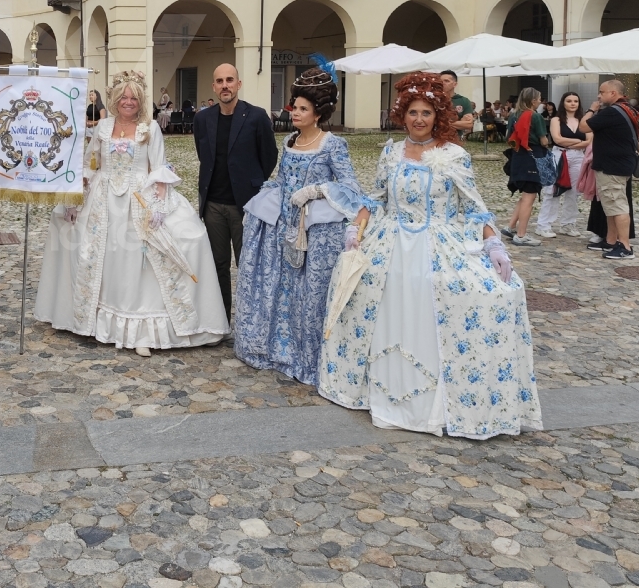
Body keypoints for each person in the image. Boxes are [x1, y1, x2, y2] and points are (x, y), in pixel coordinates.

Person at [318, 72, 542, 439]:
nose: (419, 119)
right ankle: (384, 394)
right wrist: (354, 231)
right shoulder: (390, 152)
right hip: (388, 247)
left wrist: (493, 244)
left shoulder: (453, 155)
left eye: (426, 113)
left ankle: (433, 406)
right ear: (402, 115)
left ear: (438, 116)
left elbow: (474, 206)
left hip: (436, 247)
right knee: (378, 309)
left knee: (447, 309)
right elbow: (373, 199)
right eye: (412, 113)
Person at [35, 71, 230, 356]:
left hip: (139, 198)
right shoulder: (102, 127)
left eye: (134, 98)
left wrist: (159, 207)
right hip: (103, 203)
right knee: (101, 257)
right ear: (115, 100)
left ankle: (141, 330)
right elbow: (91, 163)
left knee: (144, 262)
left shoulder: (150, 129)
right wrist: (75, 197)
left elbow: (159, 170)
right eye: (124, 97)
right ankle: (93, 322)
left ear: (141, 101)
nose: (129, 102)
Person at [233, 67, 369, 385]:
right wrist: (261, 204)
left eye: (303, 108)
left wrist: (318, 190)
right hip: (287, 228)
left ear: (318, 113)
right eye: (294, 106)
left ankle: (309, 360)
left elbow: (351, 188)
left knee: (309, 296)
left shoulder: (332, 145)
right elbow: (282, 180)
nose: (294, 112)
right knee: (283, 291)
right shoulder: (290, 142)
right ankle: (282, 352)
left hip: (318, 233)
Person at [192, 63, 277, 322]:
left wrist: (251, 184)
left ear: (239, 84)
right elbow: (203, 155)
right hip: (213, 205)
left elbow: (269, 157)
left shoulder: (256, 116)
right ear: (214, 86)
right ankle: (220, 320)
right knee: (217, 265)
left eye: (230, 80)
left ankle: (249, 321)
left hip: (245, 205)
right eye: (220, 81)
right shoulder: (203, 119)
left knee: (248, 264)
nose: (225, 85)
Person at [581, 80, 639, 260]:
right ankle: (610, 240)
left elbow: (583, 127)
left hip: (612, 167)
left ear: (614, 94)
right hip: (617, 164)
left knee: (617, 205)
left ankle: (625, 247)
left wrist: (591, 109)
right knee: (611, 205)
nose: (599, 96)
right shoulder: (627, 109)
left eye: (602, 92)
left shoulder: (612, 112)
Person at [535, 92, 589, 239]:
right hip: (559, 155)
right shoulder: (556, 119)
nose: (573, 103)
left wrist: (572, 142)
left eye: (575, 101)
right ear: (563, 103)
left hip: (578, 157)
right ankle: (544, 225)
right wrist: (578, 142)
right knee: (552, 190)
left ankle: (568, 223)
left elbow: (589, 140)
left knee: (574, 192)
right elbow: (557, 139)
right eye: (569, 101)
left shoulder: (583, 121)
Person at [501, 87, 547, 247]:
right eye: (539, 98)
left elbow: (509, 138)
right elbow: (543, 140)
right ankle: (521, 235)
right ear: (533, 101)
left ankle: (510, 227)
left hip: (518, 156)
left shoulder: (514, 115)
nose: (541, 101)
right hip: (532, 157)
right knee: (530, 197)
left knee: (525, 196)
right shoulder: (536, 116)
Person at [438, 70, 474, 135]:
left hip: (455, 140)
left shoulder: (463, 101)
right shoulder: (433, 100)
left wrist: (443, 124)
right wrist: (460, 123)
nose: (442, 83)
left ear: (455, 84)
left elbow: (469, 124)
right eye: (440, 81)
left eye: (446, 81)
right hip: (435, 140)